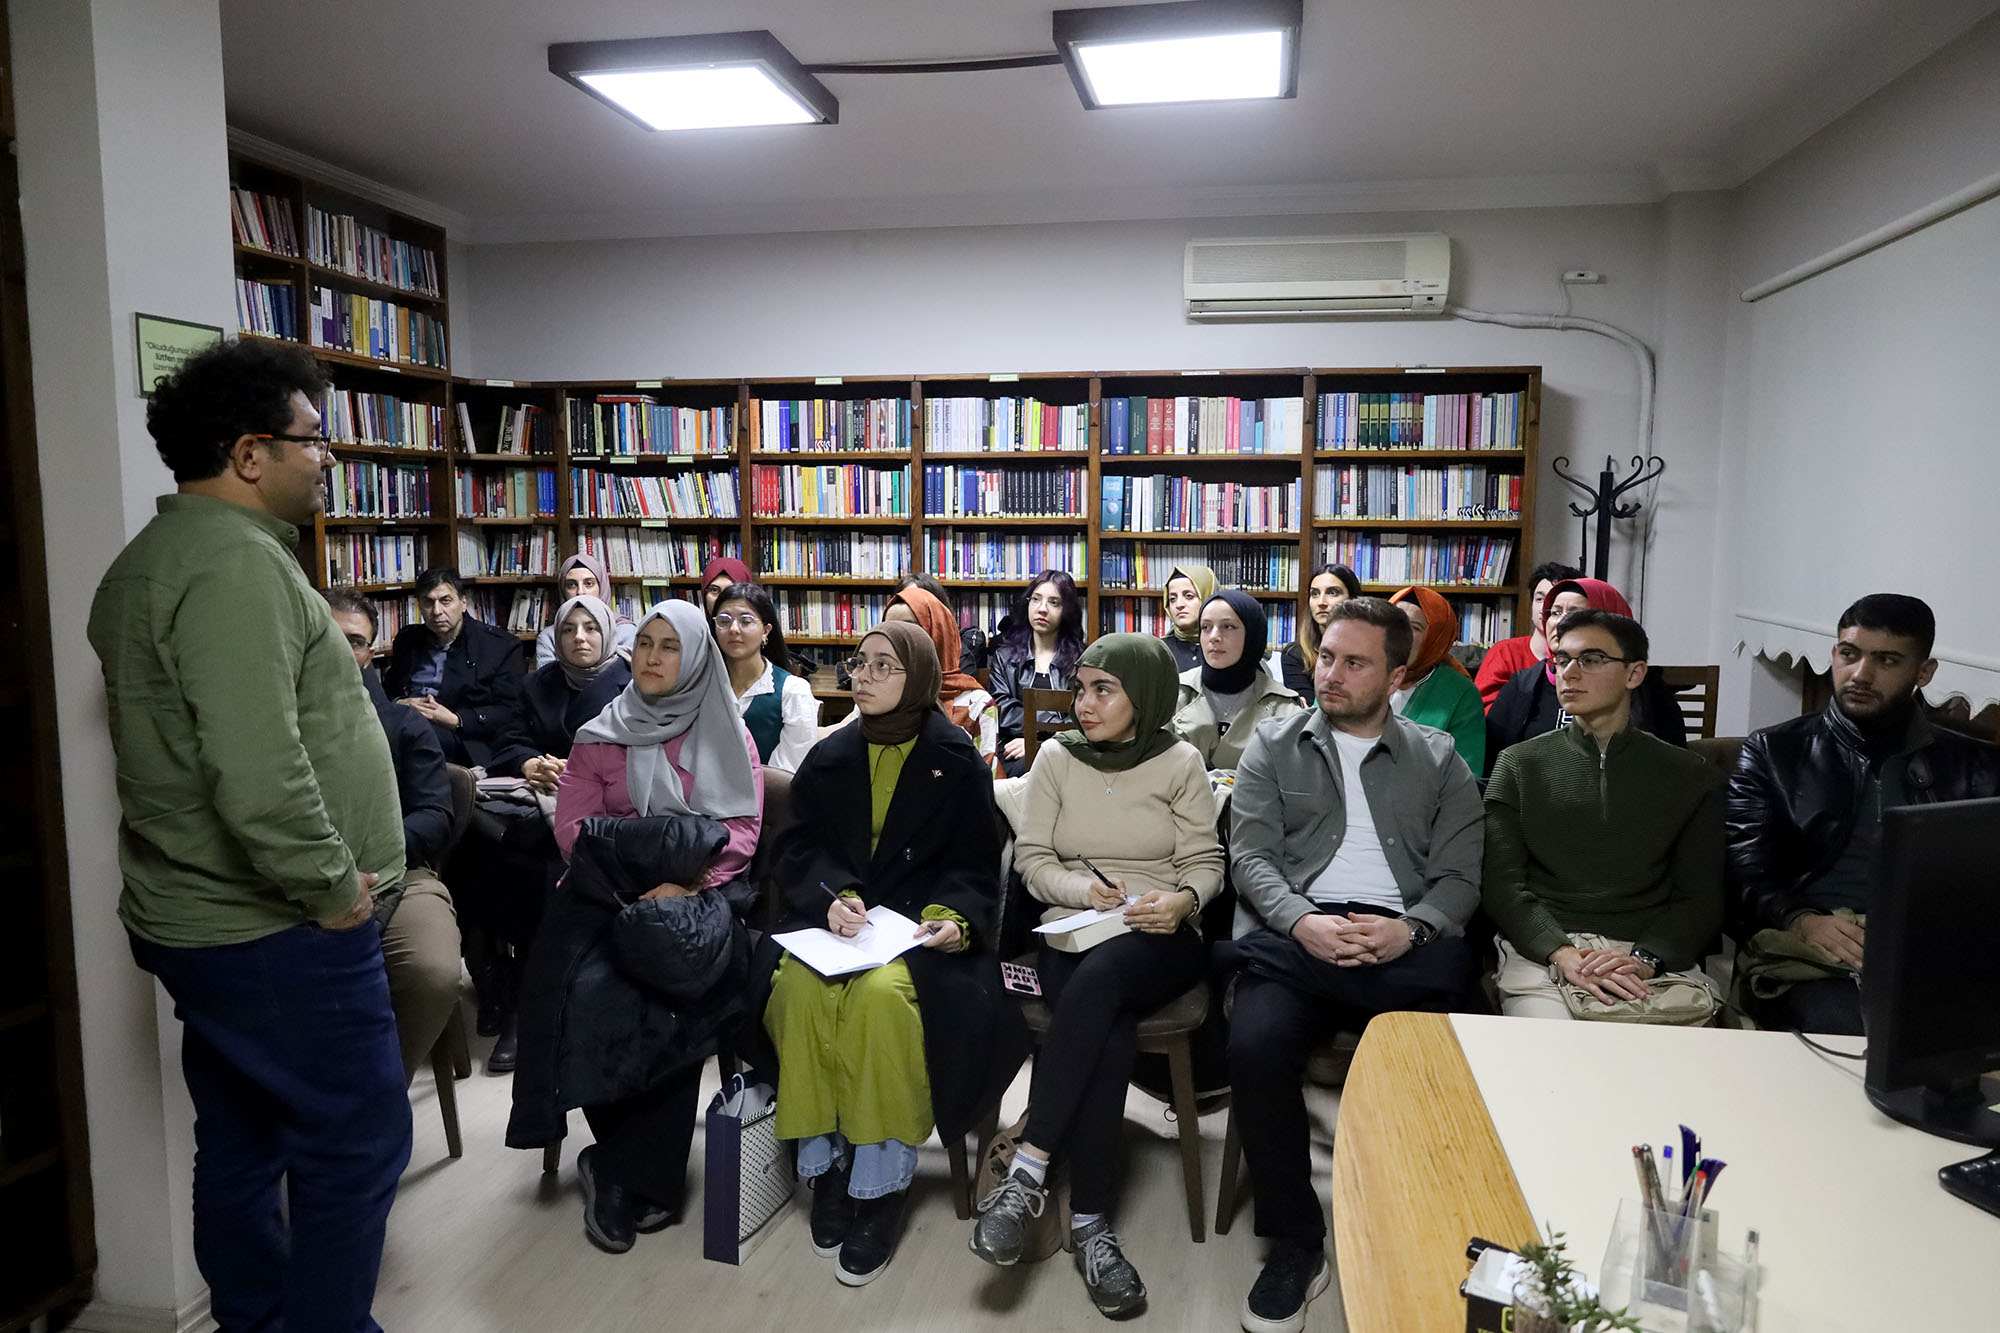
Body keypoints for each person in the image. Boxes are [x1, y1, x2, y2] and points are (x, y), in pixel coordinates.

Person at [87, 338, 409, 1332]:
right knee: (355, 1140)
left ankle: (257, 1323)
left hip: (205, 919)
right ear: (249, 452)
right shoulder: (234, 571)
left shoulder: (151, 562)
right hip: (274, 929)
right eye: (315, 440)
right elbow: (257, 768)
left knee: (243, 1135)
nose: (330, 459)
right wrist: (332, 888)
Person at [1222, 597, 1483, 1333]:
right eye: (1326, 656)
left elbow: (1462, 878)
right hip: (1300, 937)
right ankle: (1296, 1242)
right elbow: (1252, 859)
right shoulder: (1273, 745)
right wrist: (1305, 921)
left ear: (1396, 674)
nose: (1329, 674)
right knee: (1254, 1041)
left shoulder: (1439, 758)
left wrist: (1409, 930)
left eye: (1354, 662)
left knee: (1443, 1051)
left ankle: (1415, 1225)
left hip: (1401, 945)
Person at [760, 622, 1024, 1287]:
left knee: (880, 1002)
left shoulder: (955, 755)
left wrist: (950, 919)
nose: (866, 675)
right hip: (834, 927)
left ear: (921, 677)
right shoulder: (831, 752)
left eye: (885, 665)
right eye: (860, 663)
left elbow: (973, 862)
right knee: (798, 990)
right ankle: (828, 1167)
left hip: (919, 935)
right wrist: (832, 895)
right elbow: (796, 848)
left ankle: (878, 1183)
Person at [971, 634, 1224, 1321]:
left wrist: (1181, 901)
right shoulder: (1056, 757)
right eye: (1080, 688)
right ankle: (1090, 1224)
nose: (1083, 703)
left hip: (1160, 932)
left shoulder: (1180, 762)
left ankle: (1029, 1169)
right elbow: (1033, 860)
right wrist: (1083, 891)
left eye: (1101, 690)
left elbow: (1206, 860)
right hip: (1072, 925)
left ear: (1141, 696)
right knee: (1105, 1020)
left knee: (1107, 977)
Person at [507, 600, 764, 1254]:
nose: (651, 656)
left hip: (698, 898)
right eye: (644, 642)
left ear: (697, 656)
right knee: (588, 990)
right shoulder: (601, 731)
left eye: (668, 646)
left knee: (678, 999)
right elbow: (572, 830)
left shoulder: (726, 731)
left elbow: (740, 833)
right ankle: (625, 1168)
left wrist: (684, 879)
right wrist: (636, 870)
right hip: (601, 894)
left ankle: (624, 1172)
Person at [1726, 594, 2000, 1035]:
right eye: (1850, 654)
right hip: (1816, 951)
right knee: (1853, 1030)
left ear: (1923, 672)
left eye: (1887, 660)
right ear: (1835, 654)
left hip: (1931, 949)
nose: (1861, 675)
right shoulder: (1774, 752)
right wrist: (1799, 918)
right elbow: (1745, 872)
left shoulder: (1976, 767)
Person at [1482, 609, 1724, 1021]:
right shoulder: (1520, 764)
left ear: (1634, 674)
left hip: (1646, 953)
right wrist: (1561, 952)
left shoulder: (1688, 774)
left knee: (1674, 1070)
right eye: (1561, 660)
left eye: (1591, 660)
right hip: (1546, 951)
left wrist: (1647, 957)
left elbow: (1701, 894)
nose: (1569, 673)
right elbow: (1502, 883)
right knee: (1551, 1063)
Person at [465, 593, 634, 1071]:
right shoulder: (536, 684)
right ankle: (497, 972)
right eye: (568, 630)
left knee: (551, 875)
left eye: (591, 629)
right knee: (488, 858)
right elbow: (508, 739)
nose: (580, 638)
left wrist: (582, 774)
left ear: (608, 634)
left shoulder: (631, 684)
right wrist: (532, 762)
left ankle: (531, 1003)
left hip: (604, 813)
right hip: (538, 808)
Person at [326, 591, 463, 1084]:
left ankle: (379, 1090)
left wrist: (377, 853)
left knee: (432, 970)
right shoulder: (280, 717)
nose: (345, 652)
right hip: (307, 875)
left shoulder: (401, 722)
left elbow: (434, 814)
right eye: (333, 638)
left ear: (370, 654)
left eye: (357, 642)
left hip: (400, 872)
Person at [1485, 576, 1685, 775]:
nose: (1560, 622)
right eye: (1555, 612)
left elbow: (1671, 775)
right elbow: (1493, 769)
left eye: (1576, 614)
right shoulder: (1524, 685)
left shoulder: (1650, 693)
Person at [383, 566, 527, 768]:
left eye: (445, 601)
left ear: (463, 603)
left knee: (412, 738)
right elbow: (387, 691)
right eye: (428, 602)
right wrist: (400, 703)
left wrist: (456, 719)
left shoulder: (499, 646)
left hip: (462, 737)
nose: (437, 611)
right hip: (406, 721)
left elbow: (511, 711)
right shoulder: (408, 640)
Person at [1169, 590, 1303, 774]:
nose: (1214, 636)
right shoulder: (1175, 692)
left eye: (1228, 627)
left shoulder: (1283, 707)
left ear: (1252, 635)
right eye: (1206, 627)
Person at [881, 584, 1001, 771]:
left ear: (936, 633)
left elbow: (985, 782)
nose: (897, 640)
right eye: (889, 630)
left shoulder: (977, 704)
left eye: (909, 629)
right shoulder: (879, 689)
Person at [712, 580, 819, 773]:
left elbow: (787, 774)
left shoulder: (792, 691)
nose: (734, 629)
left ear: (766, 630)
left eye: (746, 621)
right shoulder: (704, 685)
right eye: (724, 620)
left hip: (768, 799)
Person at [990, 570, 1087, 777]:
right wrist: (1048, 731)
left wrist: (1044, 740)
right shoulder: (1004, 656)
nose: (1042, 609)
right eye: (1036, 599)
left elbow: (1083, 714)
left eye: (1054, 603)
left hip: (1066, 746)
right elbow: (1001, 709)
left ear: (1066, 610)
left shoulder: (1083, 660)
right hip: (1013, 746)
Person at [1387, 586, 1485, 773]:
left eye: (1414, 627)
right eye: (1394, 622)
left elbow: (1466, 777)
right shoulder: (1360, 672)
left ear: (1435, 639)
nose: (1399, 633)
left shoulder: (1461, 693)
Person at [1472, 560, 1580, 709]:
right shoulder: (1505, 653)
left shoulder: (1585, 660)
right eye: (1540, 599)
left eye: (1555, 600)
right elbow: (1484, 712)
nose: (1545, 607)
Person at [533, 551, 636, 669]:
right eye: (571, 585)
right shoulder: (549, 637)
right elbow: (546, 683)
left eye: (589, 583)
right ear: (563, 591)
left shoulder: (625, 631)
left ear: (601, 588)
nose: (580, 592)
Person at [1274, 563, 1361, 696]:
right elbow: (1307, 711)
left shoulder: (1368, 650)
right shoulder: (1295, 653)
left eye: (1332, 593)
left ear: (1352, 599)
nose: (1321, 602)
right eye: (1314, 594)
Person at [1160, 563, 1218, 672]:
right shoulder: (1158, 651)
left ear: (1208, 597)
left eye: (1189, 596)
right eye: (1172, 599)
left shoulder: (1227, 647)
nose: (1179, 605)